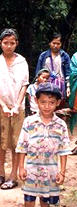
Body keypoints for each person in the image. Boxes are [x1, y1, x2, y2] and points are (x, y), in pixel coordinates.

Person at [16, 82, 71, 207]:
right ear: (36, 101)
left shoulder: (61, 125)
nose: (47, 106)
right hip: (31, 172)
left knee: (45, 205)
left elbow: (64, 151)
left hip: (50, 173)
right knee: (28, 205)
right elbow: (21, 146)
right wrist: (21, 167)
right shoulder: (29, 122)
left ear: (58, 102)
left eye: (51, 103)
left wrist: (62, 172)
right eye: (43, 102)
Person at [0, 28, 29, 189]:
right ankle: (1, 173)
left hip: (18, 107)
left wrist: (17, 105)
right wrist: (3, 105)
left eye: (12, 43)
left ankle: (13, 175)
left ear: (16, 43)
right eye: (5, 43)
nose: (9, 46)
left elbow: (24, 85)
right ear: (0, 43)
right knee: (1, 141)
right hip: (0, 107)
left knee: (16, 142)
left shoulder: (22, 61)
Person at [35, 33, 70, 99]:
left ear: (61, 44)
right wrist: (37, 84)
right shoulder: (43, 56)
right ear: (49, 43)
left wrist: (68, 87)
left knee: (58, 104)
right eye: (53, 43)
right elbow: (38, 72)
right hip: (45, 83)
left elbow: (68, 72)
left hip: (60, 85)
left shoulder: (65, 56)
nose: (55, 46)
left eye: (58, 44)